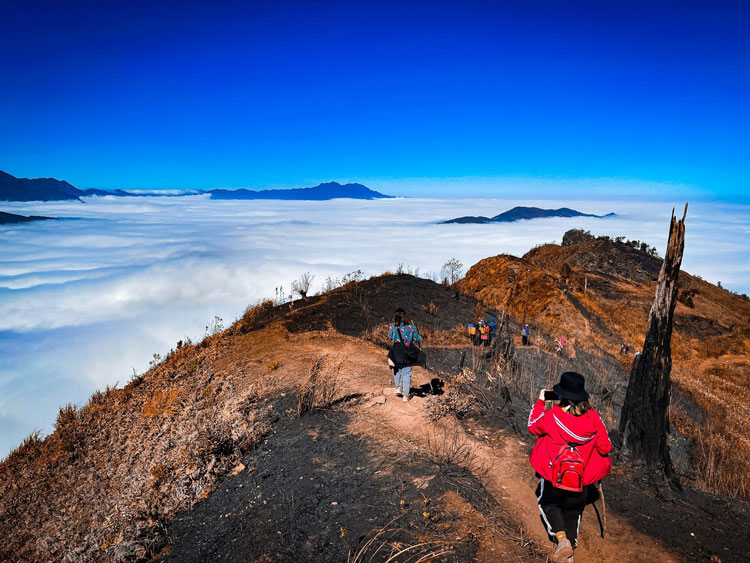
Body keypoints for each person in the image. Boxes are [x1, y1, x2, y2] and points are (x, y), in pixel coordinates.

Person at [528, 371, 612, 562]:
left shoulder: (551, 417)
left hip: (553, 475)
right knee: (573, 513)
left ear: (561, 395)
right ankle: (569, 553)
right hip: (580, 479)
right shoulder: (595, 419)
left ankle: (562, 540)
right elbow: (606, 447)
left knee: (548, 504)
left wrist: (541, 401)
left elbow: (532, 426)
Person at [387, 308, 421, 402]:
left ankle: (398, 388)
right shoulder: (412, 327)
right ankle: (405, 396)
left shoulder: (393, 327)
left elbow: (390, 337)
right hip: (408, 350)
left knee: (396, 369)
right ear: (405, 317)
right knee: (406, 373)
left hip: (396, 350)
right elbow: (417, 339)